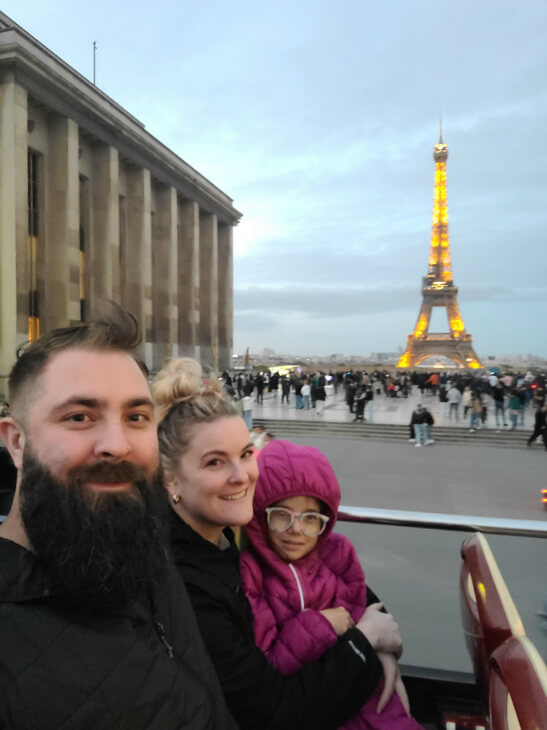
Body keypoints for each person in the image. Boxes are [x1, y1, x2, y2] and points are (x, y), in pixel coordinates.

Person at [0, 310, 235, 729]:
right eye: (79, 417)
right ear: (17, 442)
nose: (117, 445)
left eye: (136, 418)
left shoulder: (149, 555)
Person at [154, 359, 403, 730]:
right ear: (171, 480)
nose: (241, 477)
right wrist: (364, 644)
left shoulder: (231, 529)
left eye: (244, 454)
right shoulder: (184, 582)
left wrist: (376, 642)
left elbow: (334, 578)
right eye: (214, 462)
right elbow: (272, 714)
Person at [240, 439, 423, 730]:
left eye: (310, 518)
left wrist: (381, 650)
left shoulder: (338, 554)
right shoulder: (251, 572)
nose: (296, 529)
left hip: (371, 701)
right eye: (281, 516)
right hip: (314, 709)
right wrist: (320, 625)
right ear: (262, 516)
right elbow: (270, 665)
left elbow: (366, 613)